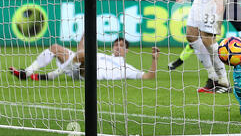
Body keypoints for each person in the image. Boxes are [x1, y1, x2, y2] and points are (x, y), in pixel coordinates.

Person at [10, 36, 159, 81]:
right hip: (75, 66)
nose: (118, 47)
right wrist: (85, 34)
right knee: (55, 47)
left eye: (121, 46)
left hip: (88, 74)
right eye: (116, 45)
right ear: (112, 48)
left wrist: (154, 59)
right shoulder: (102, 55)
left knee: (85, 55)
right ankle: (28, 72)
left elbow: (148, 76)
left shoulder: (127, 68)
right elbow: (79, 52)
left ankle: (49, 76)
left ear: (126, 50)